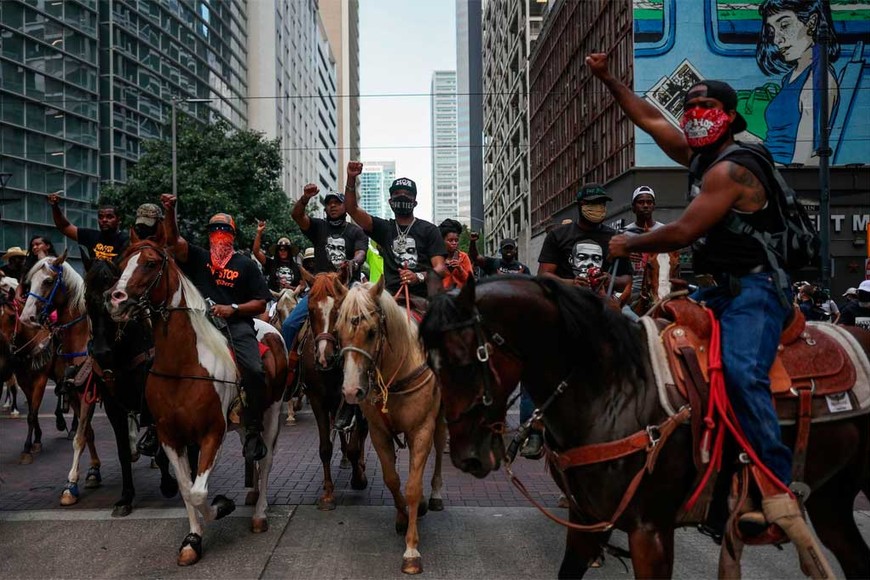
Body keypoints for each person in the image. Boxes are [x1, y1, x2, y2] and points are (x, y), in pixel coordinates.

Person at [588, 52, 818, 547]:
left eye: (706, 106)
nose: (694, 113)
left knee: (739, 372)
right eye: (689, 106)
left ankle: (775, 492)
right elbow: (650, 117)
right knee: (657, 353)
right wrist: (609, 78)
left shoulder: (733, 169)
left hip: (758, 289)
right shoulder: (699, 157)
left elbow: (685, 230)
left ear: (731, 117)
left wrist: (630, 243)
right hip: (717, 289)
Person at [160, 194, 271, 462]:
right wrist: (169, 212)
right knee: (156, 360)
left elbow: (260, 302)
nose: (219, 234)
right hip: (198, 326)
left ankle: (253, 426)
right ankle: (155, 425)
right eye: (214, 230)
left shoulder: (245, 263)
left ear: (232, 235)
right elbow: (173, 241)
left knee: (255, 370)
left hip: (235, 326)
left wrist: (232, 308)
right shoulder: (197, 256)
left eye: (224, 230)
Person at [281, 184, 368, 397]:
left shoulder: (355, 231)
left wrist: (353, 263)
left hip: (347, 286)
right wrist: (304, 199)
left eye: (337, 203)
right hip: (320, 288)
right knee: (290, 324)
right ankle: (289, 376)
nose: (332, 207)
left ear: (345, 207)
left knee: (367, 323)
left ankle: (369, 375)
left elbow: (361, 253)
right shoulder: (319, 227)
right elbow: (296, 215)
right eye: (329, 204)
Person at [343, 162, 447, 300]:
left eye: (407, 194)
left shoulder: (429, 230)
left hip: (422, 298)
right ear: (390, 201)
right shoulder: (384, 229)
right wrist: (351, 178)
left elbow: (440, 268)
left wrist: (419, 276)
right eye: (397, 193)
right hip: (390, 299)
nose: (402, 196)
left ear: (415, 202)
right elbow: (352, 209)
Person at [756, 0, 840, 165]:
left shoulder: (817, 80)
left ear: (811, 22)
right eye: (772, 31)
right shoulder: (792, 76)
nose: (777, 40)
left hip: (780, 173)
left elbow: (804, 160)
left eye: (785, 25)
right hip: (769, 164)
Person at [538, 183, 632, 293]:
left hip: (602, 305)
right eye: (592, 203)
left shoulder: (615, 238)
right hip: (566, 304)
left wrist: (612, 280)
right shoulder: (558, 235)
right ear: (580, 205)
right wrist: (571, 283)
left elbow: (627, 280)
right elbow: (543, 276)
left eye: (601, 203)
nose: (598, 208)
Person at [48, 194, 129, 263]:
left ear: (119, 220)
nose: (104, 220)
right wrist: (55, 207)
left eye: (109, 217)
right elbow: (64, 227)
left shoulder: (127, 240)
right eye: (100, 217)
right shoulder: (91, 236)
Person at [622, 186, 668, 300]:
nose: (645, 205)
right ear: (633, 207)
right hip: (632, 290)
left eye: (649, 202)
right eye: (641, 202)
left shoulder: (664, 231)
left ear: (654, 206)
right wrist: (625, 255)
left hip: (659, 289)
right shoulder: (624, 234)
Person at [252, 223, 301, 292]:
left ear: (289, 251)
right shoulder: (271, 263)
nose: (283, 251)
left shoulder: (297, 267)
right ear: (277, 251)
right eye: (280, 249)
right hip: (274, 297)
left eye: (285, 249)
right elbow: (256, 252)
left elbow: (302, 286)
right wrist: (259, 233)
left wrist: (290, 287)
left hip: (292, 297)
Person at [438, 219, 473, 290]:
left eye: (456, 240)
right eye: (450, 240)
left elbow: (471, 281)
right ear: (442, 241)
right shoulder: (437, 258)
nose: (454, 243)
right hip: (442, 297)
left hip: (460, 296)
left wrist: (460, 269)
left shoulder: (463, 257)